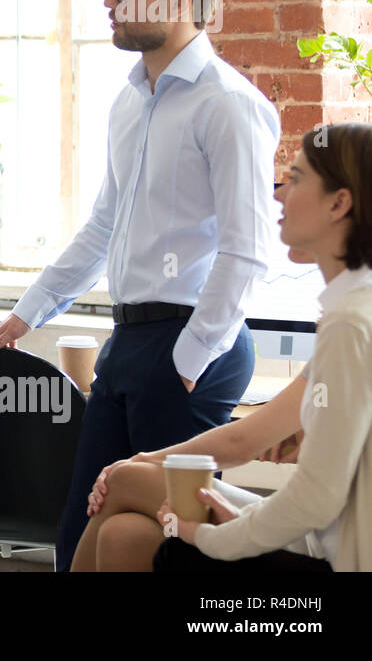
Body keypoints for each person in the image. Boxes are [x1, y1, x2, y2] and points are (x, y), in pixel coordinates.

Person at [0, 0, 280, 570]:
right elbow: (102, 227)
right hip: (130, 341)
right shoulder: (128, 103)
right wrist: (29, 311)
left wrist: (189, 358)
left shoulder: (228, 104)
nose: (109, 1)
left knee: (165, 547)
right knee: (79, 535)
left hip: (186, 344)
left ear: (177, 2)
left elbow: (247, 248)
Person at [74, 123, 372, 572]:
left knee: (127, 484)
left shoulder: (351, 323)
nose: (277, 194)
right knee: (124, 531)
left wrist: (217, 537)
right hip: (319, 535)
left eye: (295, 178)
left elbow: (317, 497)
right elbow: (246, 438)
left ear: (339, 203)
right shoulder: (350, 312)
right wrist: (146, 458)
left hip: (336, 554)